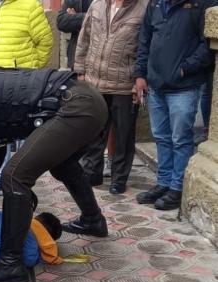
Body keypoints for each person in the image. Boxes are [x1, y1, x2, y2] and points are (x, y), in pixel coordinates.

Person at [0, 67, 108, 282]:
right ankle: (93, 220)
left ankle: (10, 263)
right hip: (88, 100)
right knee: (63, 165)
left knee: (14, 176)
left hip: (76, 105)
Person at [133, 0, 214, 210]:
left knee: (180, 139)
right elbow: (145, 39)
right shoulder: (156, 4)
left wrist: (184, 69)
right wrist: (141, 74)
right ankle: (164, 182)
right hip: (156, 84)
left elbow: (207, 44)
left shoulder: (201, 4)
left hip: (184, 86)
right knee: (161, 136)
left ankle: (177, 188)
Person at [0, 0, 54, 199]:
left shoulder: (30, 6)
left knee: (20, 135)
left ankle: (17, 179)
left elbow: (45, 42)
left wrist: (32, 71)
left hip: (20, 84)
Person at [74, 0, 149, 194]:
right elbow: (84, 38)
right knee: (94, 132)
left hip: (124, 84)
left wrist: (138, 80)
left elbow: (145, 46)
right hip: (95, 81)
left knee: (123, 135)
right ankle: (92, 173)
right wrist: (81, 71)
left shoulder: (143, 8)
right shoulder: (97, 5)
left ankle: (119, 178)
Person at [56, 0, 92, 70]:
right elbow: (60, 21)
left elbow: (102, 20)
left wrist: (75, 17)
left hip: (95, 59)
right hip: (75, 59)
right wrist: (84, 18)